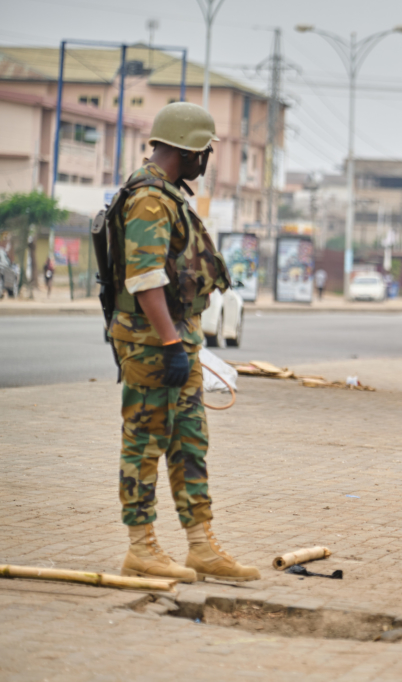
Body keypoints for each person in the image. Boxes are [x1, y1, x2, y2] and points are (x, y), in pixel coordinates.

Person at [109, 102, 259, 583]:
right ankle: (141, 547)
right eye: (205, 150)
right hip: (154, 345)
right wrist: (172, 344)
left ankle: (200, 546)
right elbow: (146, 278)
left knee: (190, 442)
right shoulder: (149, 199)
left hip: (177, 342)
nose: (207, 159)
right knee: (145, 442)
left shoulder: (169, 195)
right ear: (190, 150)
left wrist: (183, 344)